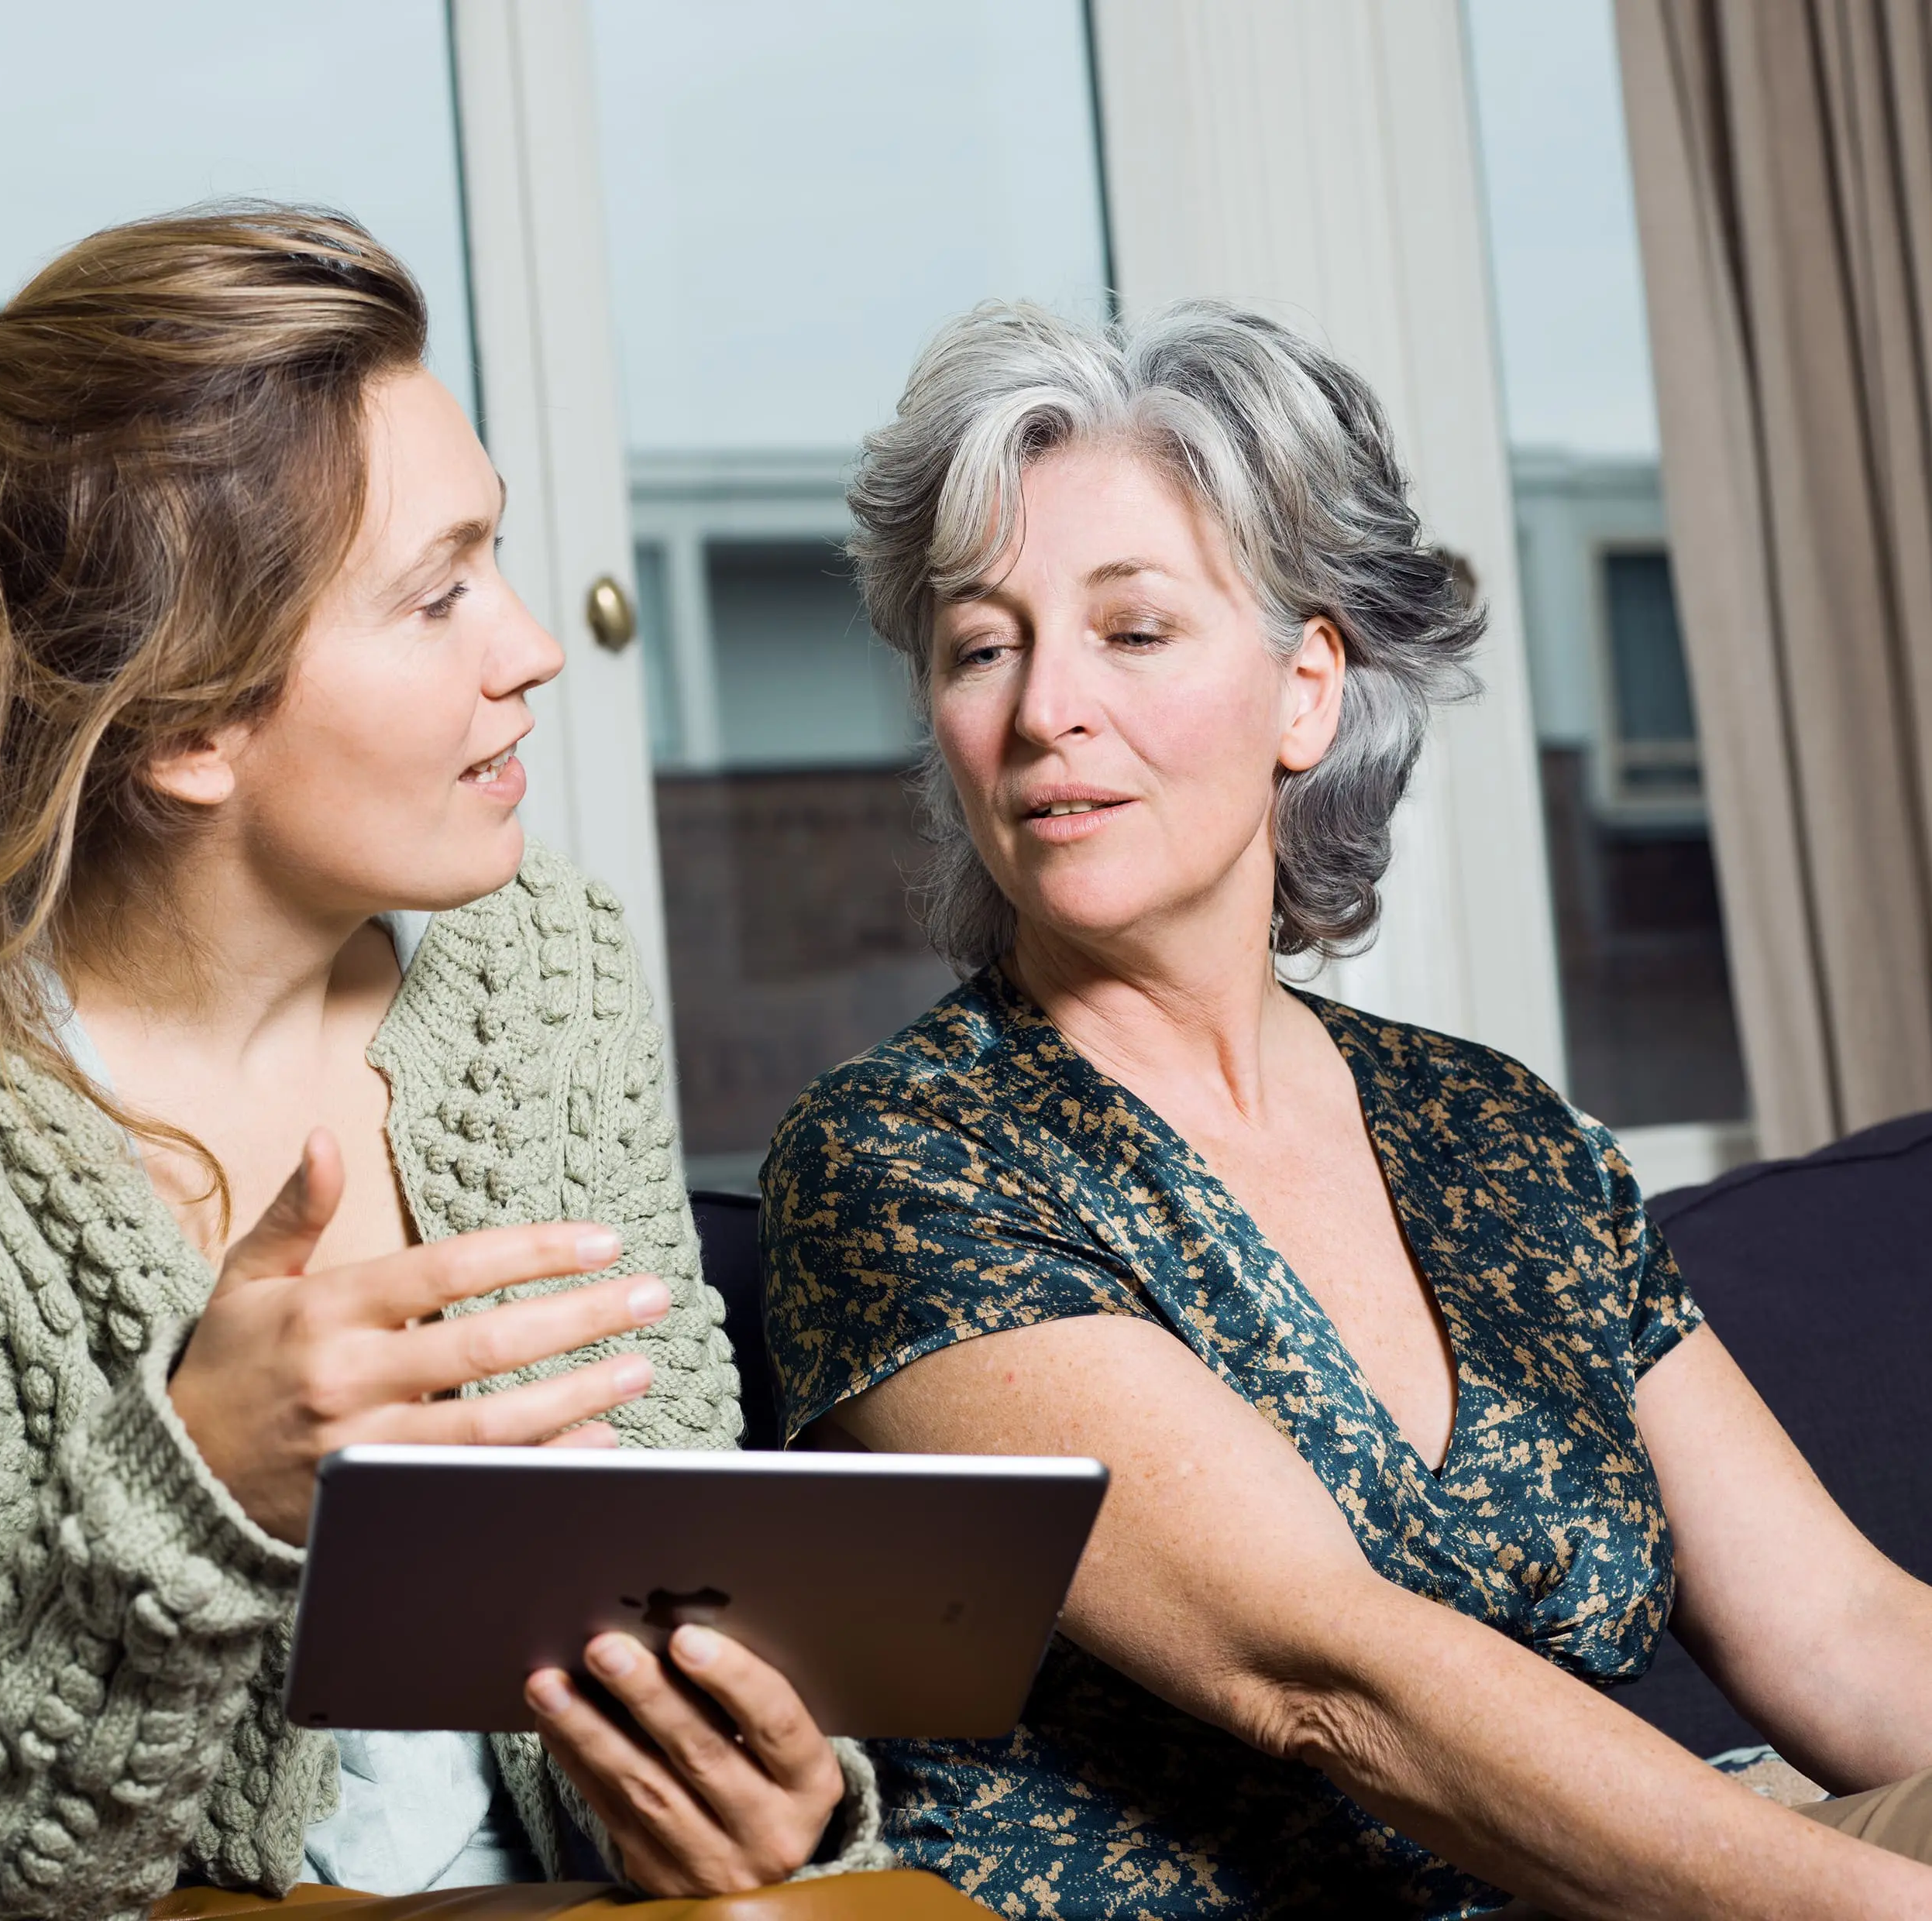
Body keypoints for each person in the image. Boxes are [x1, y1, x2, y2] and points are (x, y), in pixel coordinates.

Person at [0, 205, 885, 1921]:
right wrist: (198, 1478)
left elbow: (665, 1619)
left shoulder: (546, 967)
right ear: (186, 724)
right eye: (437, 592)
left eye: (499, 561)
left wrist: (754, 1803)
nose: (528, 645)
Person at [760, 300, 1932, 1919]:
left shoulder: (1497, 1136)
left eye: (1133, 630)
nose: (1041, 713)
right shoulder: (899, 1160)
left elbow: (1845, 1642)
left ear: (1303, 689)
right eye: (981, 645)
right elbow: (1328, 1680)